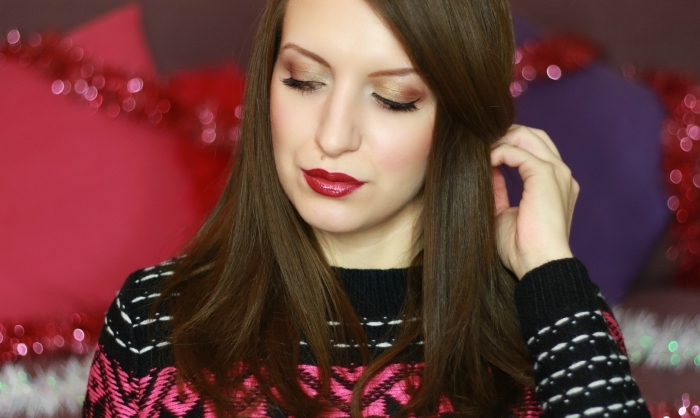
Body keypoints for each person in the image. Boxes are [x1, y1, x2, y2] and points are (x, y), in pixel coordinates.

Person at [82, 0, 650, 416]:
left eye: (392, 98)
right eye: (304, 80)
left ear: (457, 119)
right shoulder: (154, 320)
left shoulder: (551, 325)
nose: (332, 137)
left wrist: (549, 269)